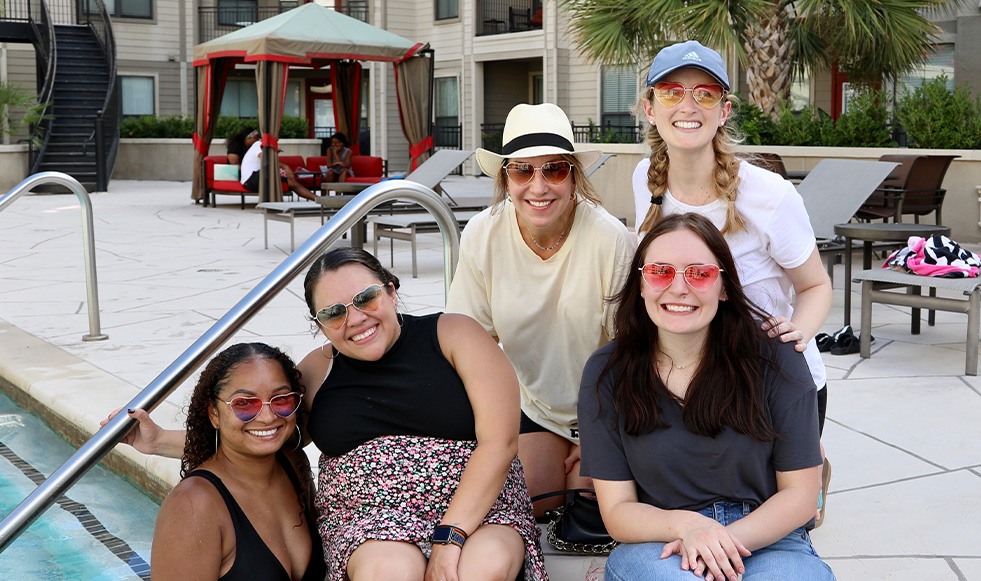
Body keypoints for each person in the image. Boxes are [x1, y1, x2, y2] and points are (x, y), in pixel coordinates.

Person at [108, 248, 547, 581]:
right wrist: (156, 440)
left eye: (366, 298)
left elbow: (500, 441)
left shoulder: (454, 335)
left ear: (391, 291)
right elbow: (265, 429)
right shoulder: (317, 370)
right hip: (370, 518)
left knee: (482, 568)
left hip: (481, 507)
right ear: (319, 322)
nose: (354, 318)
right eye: (334, 312)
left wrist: (450, 535)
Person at [631, 40, 833, 524]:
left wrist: (799, 334)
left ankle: (812, 464)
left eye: (704, 94)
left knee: (778, 519)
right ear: (649, 107)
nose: (687, 106)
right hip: (697, 373)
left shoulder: (768, 195)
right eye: (671, 91)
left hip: (769, 379)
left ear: (724, 111)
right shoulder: (645, 178)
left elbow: (815, 286)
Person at [579, 213, 836, 581]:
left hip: (769, 537)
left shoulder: (776, 359)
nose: (679, 288)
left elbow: (800, 495)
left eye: (699, 274)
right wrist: (687, 527)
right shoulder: (607, 372)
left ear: (725, 286)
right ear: (640, 284)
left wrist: (718, 541)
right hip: (662, 541)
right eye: (660, 272)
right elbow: (618, 511)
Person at [446, 102, 637, 514]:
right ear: (505, 178)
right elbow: (468, 341)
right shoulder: (482, 234)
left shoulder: (609, 239)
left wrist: (601, 437)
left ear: (573, 177)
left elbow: (633, 352)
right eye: (522, 171)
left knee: (592, 505)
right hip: (535, 405)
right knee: (532, 504)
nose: (538, 186)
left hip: (607, 406)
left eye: (553, 169)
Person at [150, 342, 326, 580]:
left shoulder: (293, 463)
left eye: (281, 399)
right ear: (214, 413)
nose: (267, 417)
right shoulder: (192, 506)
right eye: (244, 404)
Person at [240, 129, 315, 201]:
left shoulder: (264, 147)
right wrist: (285, 167)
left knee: (292, 183)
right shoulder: (258, 144)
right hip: (250, 180)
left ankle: (319, 199)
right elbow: (265, 160)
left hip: (254, 179)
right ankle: (319, 199)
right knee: (282, 176)